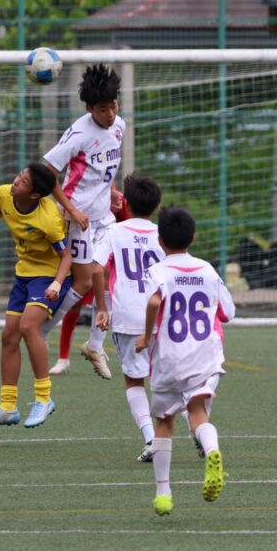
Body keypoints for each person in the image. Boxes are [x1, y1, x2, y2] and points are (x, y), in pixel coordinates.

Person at [0, 162, 73, 430]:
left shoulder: (49, 219)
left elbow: (66, 256)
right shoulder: (4, 193)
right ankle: (8, 407)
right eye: (20, 175)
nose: (16, 181)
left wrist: (56, 284)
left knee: (28, 326)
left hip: (49, 276)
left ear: (35, 195)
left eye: (24, 181)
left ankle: (44, 398)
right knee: (9, 335)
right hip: (24, 274)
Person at [136, 206, 235, 516]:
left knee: (164, 423)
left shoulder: (158, 271)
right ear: (193, 238)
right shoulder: (207, 270)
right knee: (198, 415)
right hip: (204, 357)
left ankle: (163, 493)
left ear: (160, 241)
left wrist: (146, 337)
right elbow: (229, 313)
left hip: (170, 359)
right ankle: (212, 450)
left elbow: (154, 301)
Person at [40, 63, 125, 381]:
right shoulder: (79, 134)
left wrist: (111, 190)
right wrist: (71, 211)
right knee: (85, 282)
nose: (111, 113)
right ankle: (42, 330)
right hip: (78, 220)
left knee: (112, 279)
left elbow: (107, 166)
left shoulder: (119, 126)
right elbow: (47, 174)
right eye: (103, 109)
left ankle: (95, 345)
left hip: (104, 218)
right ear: (89, 108)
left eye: (114, 105)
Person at [90, 176, 164, 461]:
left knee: (134, 380)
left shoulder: (114, 231)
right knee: (170, 379)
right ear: (157, 206)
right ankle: (198, 428)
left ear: (127, 203)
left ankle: (151, 438)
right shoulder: (163, 232)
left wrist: (101, 307)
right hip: (161, 315)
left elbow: (97, 269)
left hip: (127, 315)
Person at [49, 185, 129, 376]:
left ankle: (96, 346)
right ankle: (63, 358)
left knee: (109, 300)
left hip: (104, 262)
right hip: (82, 258)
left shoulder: (118, 201)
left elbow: (126, 230)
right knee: (74, 304)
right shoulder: (78, 200)